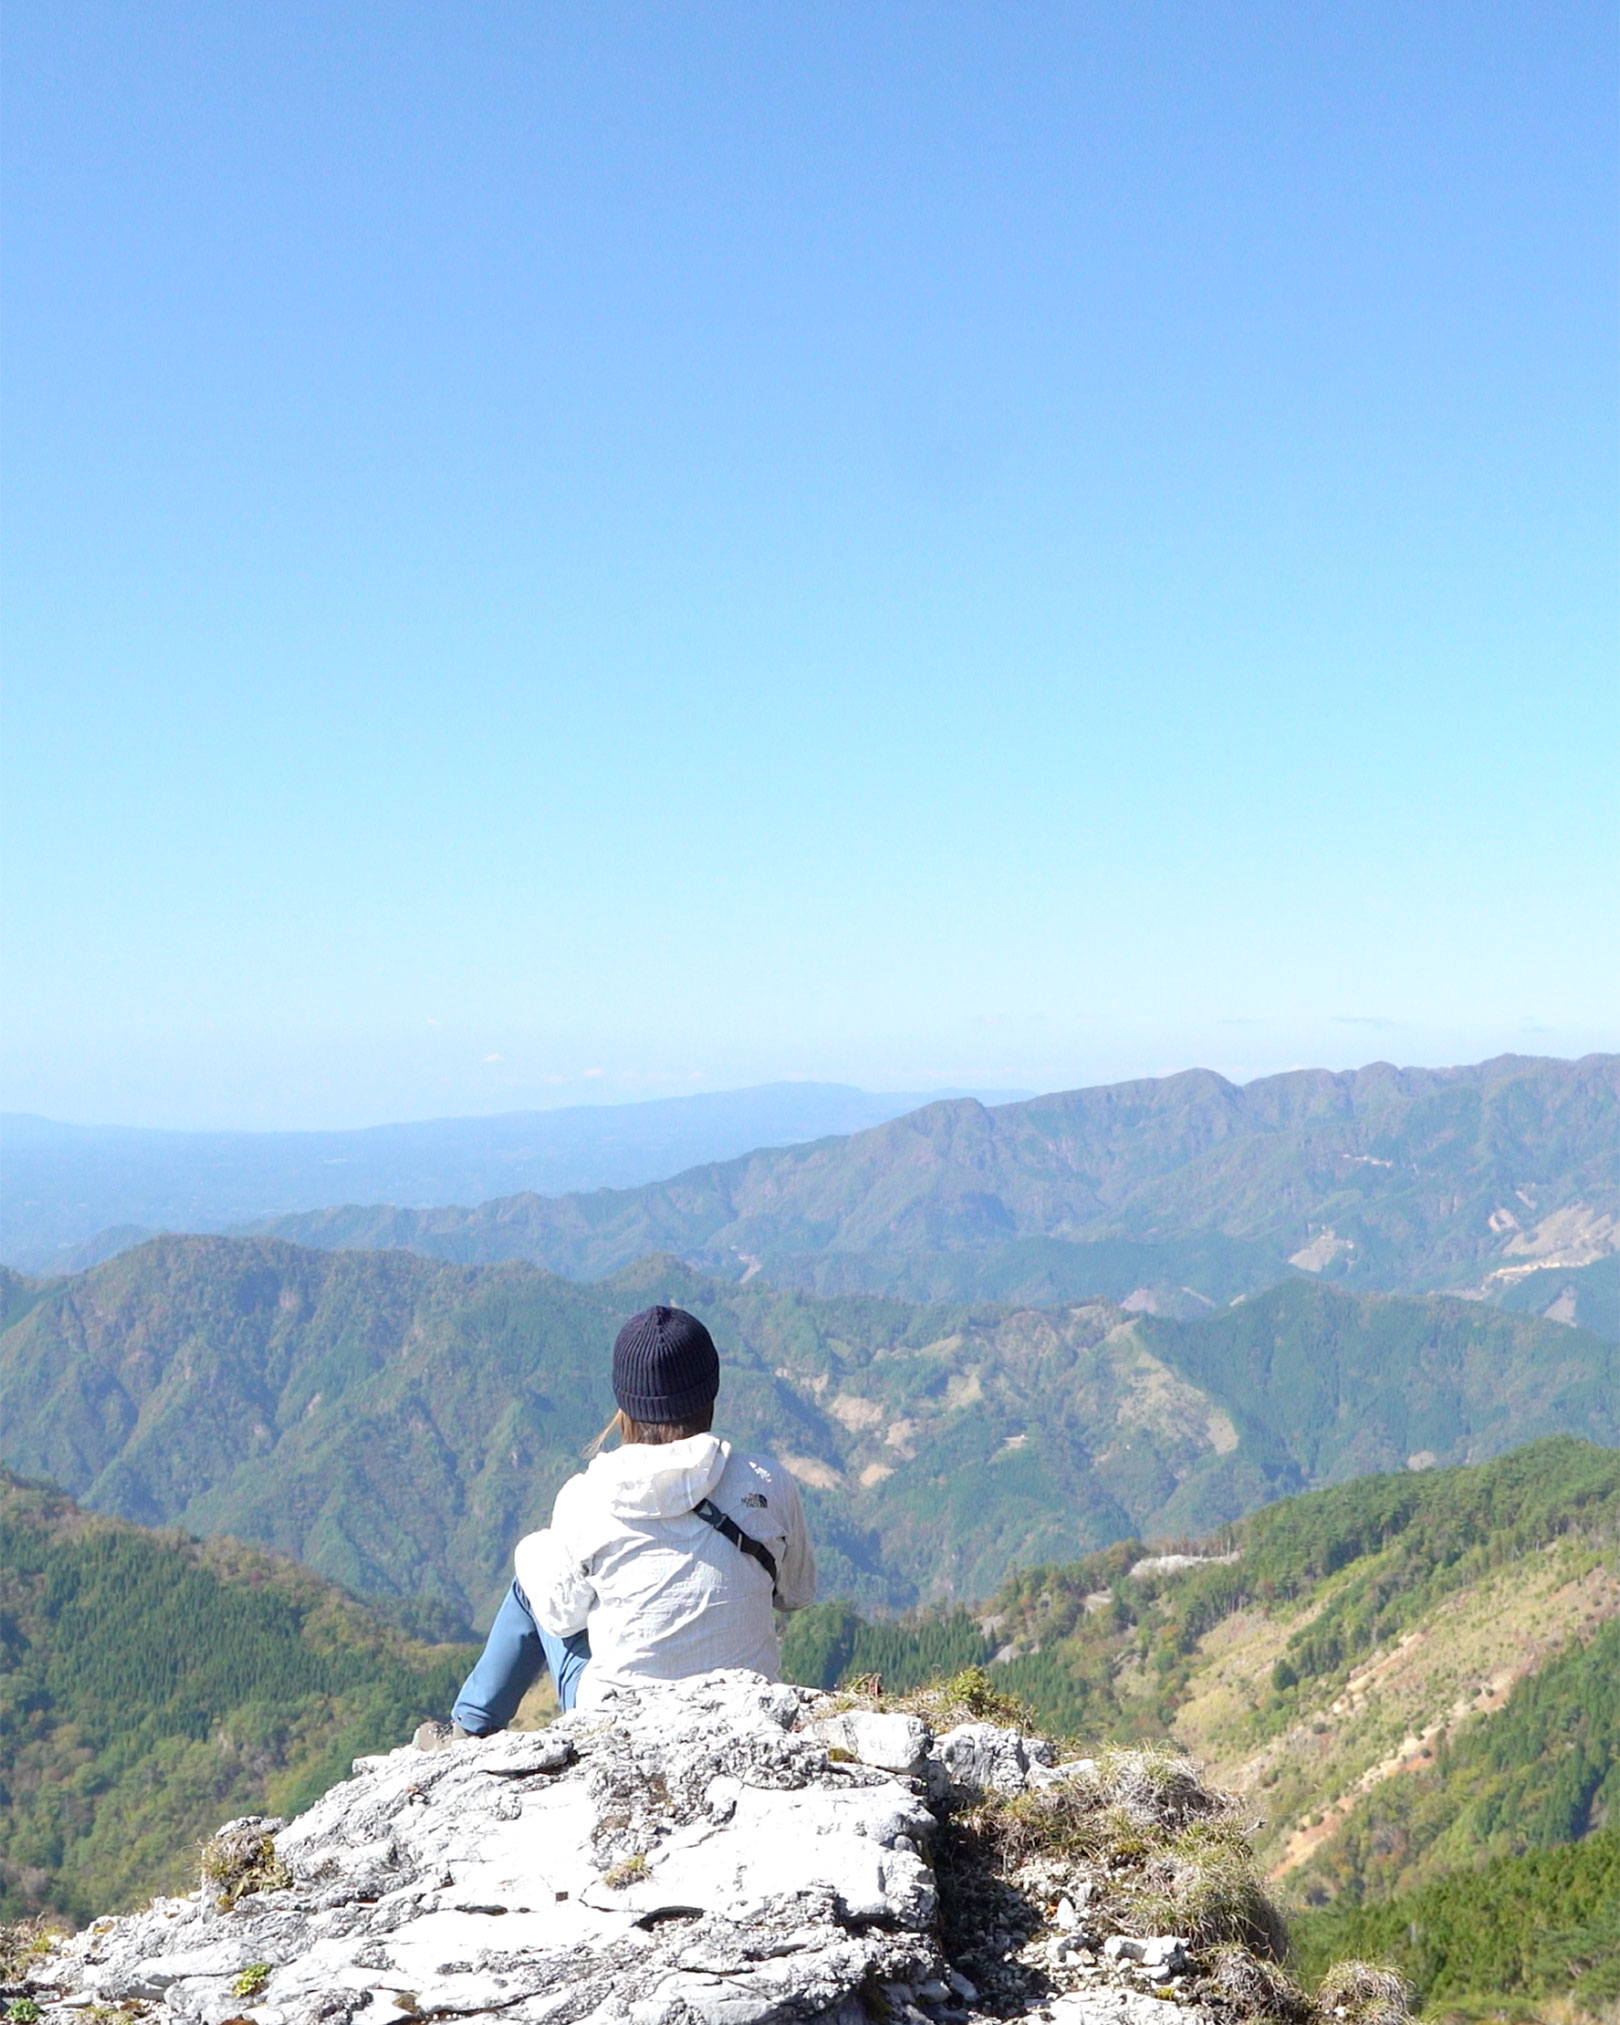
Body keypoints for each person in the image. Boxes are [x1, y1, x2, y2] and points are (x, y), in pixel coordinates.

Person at [431, 1304, 816, 1736]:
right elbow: (796, 1594)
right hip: (746, 1713)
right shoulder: (769, 1482)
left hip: (621, 1724)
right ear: (711, 1390)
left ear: (624, 1402)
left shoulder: (587, 1497)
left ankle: (469, 1728)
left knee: (532, 1579)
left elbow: (561, 1618)